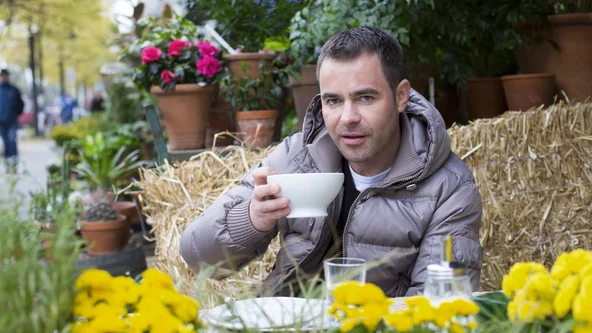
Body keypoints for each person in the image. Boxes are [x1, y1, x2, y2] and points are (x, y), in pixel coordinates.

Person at [180, 27, 483, 297]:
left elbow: (438, 307)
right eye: (333, 101)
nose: (347, 118)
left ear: (401, 95)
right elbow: (196, 257)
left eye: (365, 98)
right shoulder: (297, 156)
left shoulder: (449, 188)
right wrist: (251, 219)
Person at [0, 69, 24, 173]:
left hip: (12, 121)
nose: (3, 77)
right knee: (5, 143)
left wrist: (17, 114)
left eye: (5, 75)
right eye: (2, 76)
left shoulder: (14, 90)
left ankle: (14, 165)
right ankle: (7, 166)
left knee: (12, 141)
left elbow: (20, 104)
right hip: (1, 121)